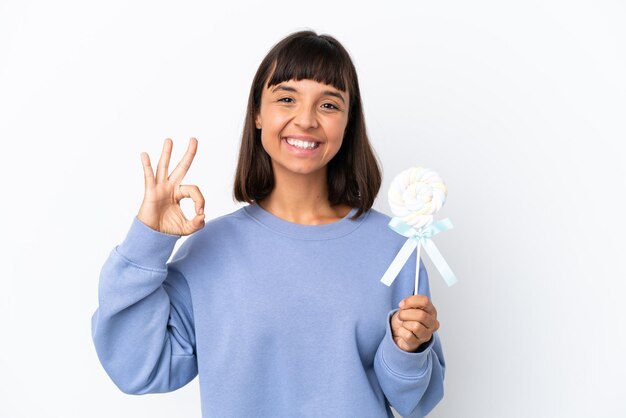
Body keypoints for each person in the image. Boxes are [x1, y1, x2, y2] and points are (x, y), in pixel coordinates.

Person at [91, 30, 445, 418]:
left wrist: (406, 348)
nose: (306, 120)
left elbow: (416, 401)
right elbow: (135, 368)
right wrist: (148, 241)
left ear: (348, 122)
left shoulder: (395, 247)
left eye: (329, 104)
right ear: (258, 113)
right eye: (287, 99)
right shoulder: (211, 249)